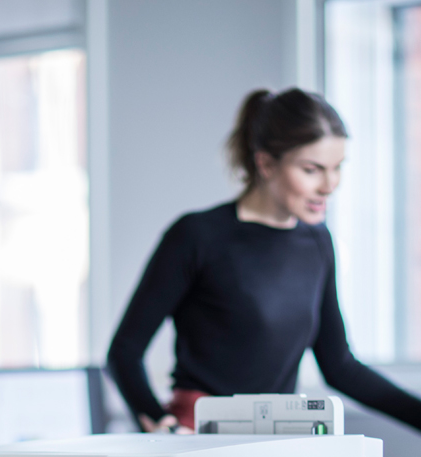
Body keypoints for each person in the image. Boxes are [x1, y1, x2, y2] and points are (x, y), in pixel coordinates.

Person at [107, 87, 421, 433]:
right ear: (266, 163)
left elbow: (340, 366)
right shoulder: (198, 236)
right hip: (196, 438)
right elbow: (125, 351)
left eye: (337, 168)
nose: (330, 185)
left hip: (276, 441)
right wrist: (162, 423)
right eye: (312, 169)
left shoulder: (318, 243)